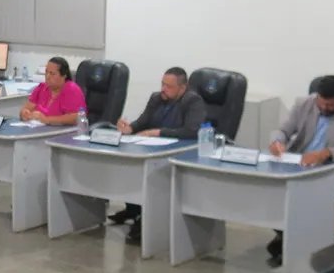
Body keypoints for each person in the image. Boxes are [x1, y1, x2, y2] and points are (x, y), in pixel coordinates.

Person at [265, 75, 334, 266]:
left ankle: (293, 241)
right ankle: (290, 237)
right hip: (298, 164)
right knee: (272, 192)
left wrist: (325, 153)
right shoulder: (304, 103)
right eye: (321, 103)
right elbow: (282, 130)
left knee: (303, 196)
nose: (324, 108)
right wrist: (277, 141)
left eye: (330, 105)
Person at [109, 68, 207, 242]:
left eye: (169, 86)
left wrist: (157, 132)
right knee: (130, 164)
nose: (163, 89)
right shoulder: (156, 98)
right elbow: (143, 122)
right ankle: (133, 209)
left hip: (178, 153)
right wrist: (129, 128)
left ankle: (146, 218)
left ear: (182, 88)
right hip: (153, 150)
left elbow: (191, 131)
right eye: (162, 84)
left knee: (149, 173)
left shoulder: (193, 101)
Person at [20, 56, 86, 125]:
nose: (47, 77)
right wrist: (24, 113)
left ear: (64, 76)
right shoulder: (41, 87)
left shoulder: (72, 90)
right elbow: (26, 109)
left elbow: (77, 117)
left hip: (62, 130)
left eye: (52, 74)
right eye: (46, 72)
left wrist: (46, 119)